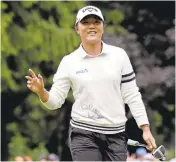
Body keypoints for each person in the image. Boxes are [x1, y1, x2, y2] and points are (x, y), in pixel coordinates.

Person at [25, 5, 157, 161]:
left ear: (102, 27)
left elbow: (132, 95)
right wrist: (42, 92)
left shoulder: (119, 56)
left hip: (116, 135)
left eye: (96, 22)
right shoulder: (69, 62)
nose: (92, 26)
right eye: (85, 23)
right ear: (77, 29)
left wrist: (145, 128)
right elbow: (55, 102)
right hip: (83, 133)